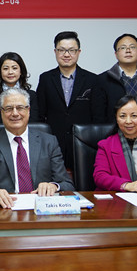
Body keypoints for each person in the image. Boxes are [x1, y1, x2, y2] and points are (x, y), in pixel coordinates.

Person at [0, 88, 74, 208]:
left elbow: (66, 183)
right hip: (5, 208)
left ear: (28, 110)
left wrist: (54, 186)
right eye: (9, 108)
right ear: (1, 112)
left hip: (41, 208)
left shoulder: (49, 142)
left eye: (20, 108)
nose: (15, 113)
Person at [37, 31, 105, 169]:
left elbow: (99, 117)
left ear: (79, 52)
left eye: (71, 50)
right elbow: (39, 114)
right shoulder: (46, 78)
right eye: (62, 50)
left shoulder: (93, 80)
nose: (66, 54)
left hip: (84, 144)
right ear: (55, 52)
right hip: (53, 144)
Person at [0, 52, 39, 125]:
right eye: (5, 68)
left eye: (14, 68)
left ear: (21, 71)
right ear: (0, 72)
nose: (10, 72)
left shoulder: (31, 95)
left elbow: (33, 123)